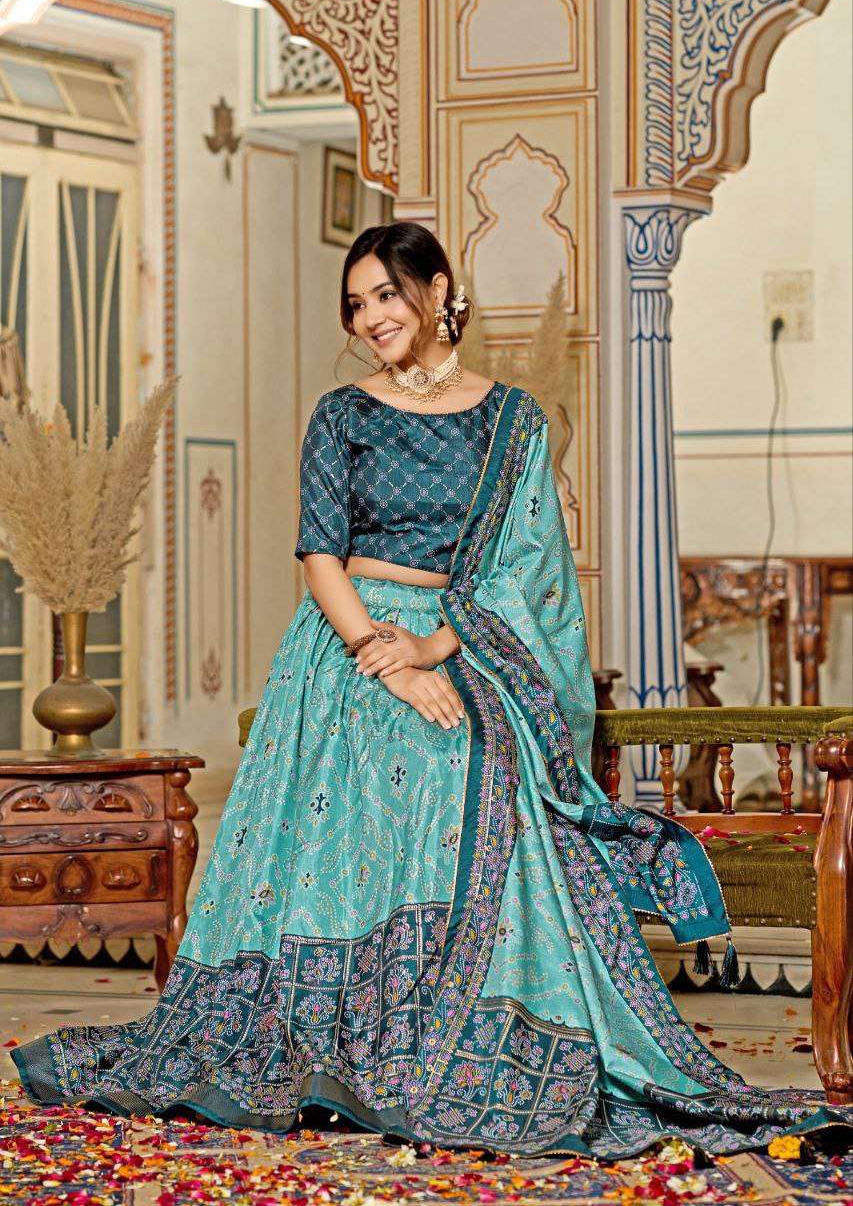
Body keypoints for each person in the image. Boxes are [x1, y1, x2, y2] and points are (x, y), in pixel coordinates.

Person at [12, 223, 851, 1159]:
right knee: (399, 744)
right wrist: (388, 658)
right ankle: (338, 1019)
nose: (370, 317)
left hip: (460, 638)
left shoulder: (513, 420)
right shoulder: (341, 414)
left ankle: (467, 1017)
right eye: (356, 303)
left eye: (386, 294)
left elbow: (526, 570)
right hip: (345, 648)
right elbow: (319, 556)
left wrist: (435, 647)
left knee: (483, 760)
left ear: (439, 289)